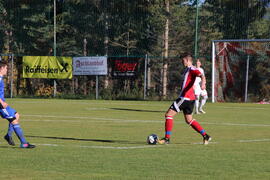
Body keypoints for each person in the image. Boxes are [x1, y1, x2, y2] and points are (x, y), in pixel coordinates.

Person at [158, 53, 211, 145]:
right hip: (190, 98)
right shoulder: (187, 70)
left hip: (185, 97)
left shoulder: (192, 69)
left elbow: (201, 75)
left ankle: (167, 138)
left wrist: (203, 83)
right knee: (189, 120)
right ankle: (205, 135)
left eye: (183, 61)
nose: (182, 62)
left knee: (168, 115)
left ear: (187, 60)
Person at [0, 61, 35, 148]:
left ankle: (8, 135)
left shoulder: (1, 78)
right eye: (6, 68)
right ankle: (24, 143)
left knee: (16, 115)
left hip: (2, 103)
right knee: (14, 120)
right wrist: (1, 102)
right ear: (1, 68)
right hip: (0, 105)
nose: (7, 70)